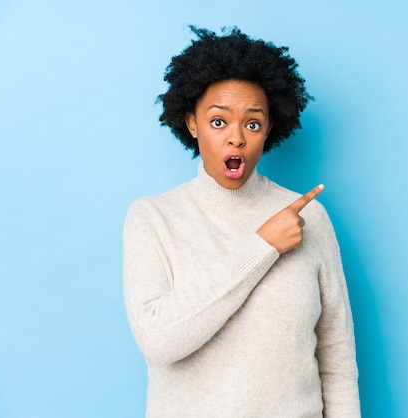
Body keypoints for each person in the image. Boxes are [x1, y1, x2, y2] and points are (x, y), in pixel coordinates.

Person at [123, 26, 360, 417]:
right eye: (219, 122)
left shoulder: (306, 216)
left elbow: (336, 360)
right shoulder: (153, 218)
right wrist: (262, 245)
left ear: (269, 129)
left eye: (252, 123)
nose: (236, 138)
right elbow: (159, 341)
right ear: (193, 123)